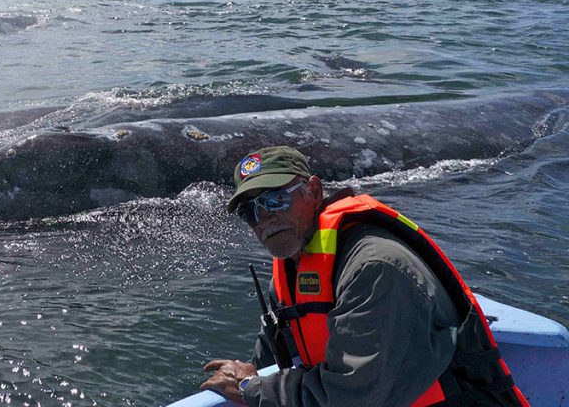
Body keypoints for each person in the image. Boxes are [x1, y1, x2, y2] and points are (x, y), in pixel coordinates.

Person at [200, 146, 528, 407]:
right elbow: (275, 349)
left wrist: (249, 389)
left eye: (276, 199)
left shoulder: (375, 267)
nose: (264, 219)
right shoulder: (294, 263)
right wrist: (244, 374)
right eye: (250, 211)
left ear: (314, 191)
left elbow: (350, 395)